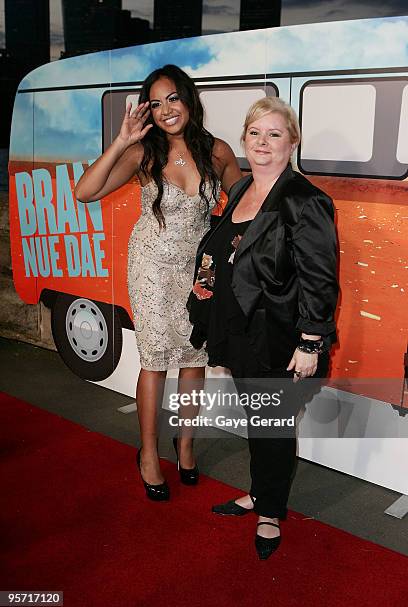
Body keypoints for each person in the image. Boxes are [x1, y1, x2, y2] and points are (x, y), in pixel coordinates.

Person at [75, 65, 241, 501]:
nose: (166, 110)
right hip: (151, 267)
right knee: (155, 362)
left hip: (200, 270)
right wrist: (122, 141)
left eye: (173, 98)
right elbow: (85, 191)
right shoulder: (143, 153)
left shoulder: (218, 151)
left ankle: (184, 445)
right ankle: (148, 453)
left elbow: (245, 205)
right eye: (156, 102)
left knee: (194, 359)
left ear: (188, 99)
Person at [188, 97, 338, 558]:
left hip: (278, 335)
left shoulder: (305, 200)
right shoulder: (240, 189)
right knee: (258, 418)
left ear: (292, 142)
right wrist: (205, 283)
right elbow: (222, 245)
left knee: (271, 423)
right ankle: (259, 492)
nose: (263, 143)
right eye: (255, 133)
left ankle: (269, 511)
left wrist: (311, 342)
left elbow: (320, 275)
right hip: (237, 329)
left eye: (275, 134)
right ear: (244, 140)